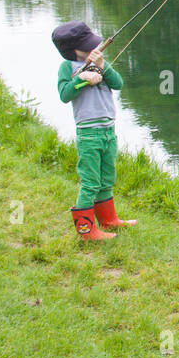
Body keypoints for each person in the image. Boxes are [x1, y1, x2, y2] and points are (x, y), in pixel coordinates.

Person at [52, 20, 137, 240]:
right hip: (88, 134)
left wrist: (102, 66)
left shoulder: (101, 61)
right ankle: (86, 230)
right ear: (72, 50)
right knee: (90, 181)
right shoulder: (67, 68)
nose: (94, 49)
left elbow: (118, 84)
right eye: (87, 47)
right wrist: (81, 79)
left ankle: (108, 219)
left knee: (107, 176)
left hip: (108, 131)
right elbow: (64, 95)